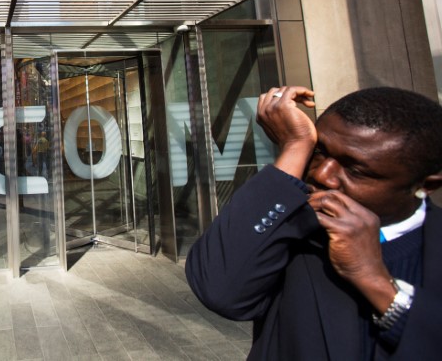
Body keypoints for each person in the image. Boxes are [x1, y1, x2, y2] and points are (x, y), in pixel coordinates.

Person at [185, 86, 442, 360]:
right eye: (319, 151)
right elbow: (220, 290)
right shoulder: (294, 229)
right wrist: (295, 146)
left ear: (425, 185)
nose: (322, 175)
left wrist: (376, 283)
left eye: (355, 171)